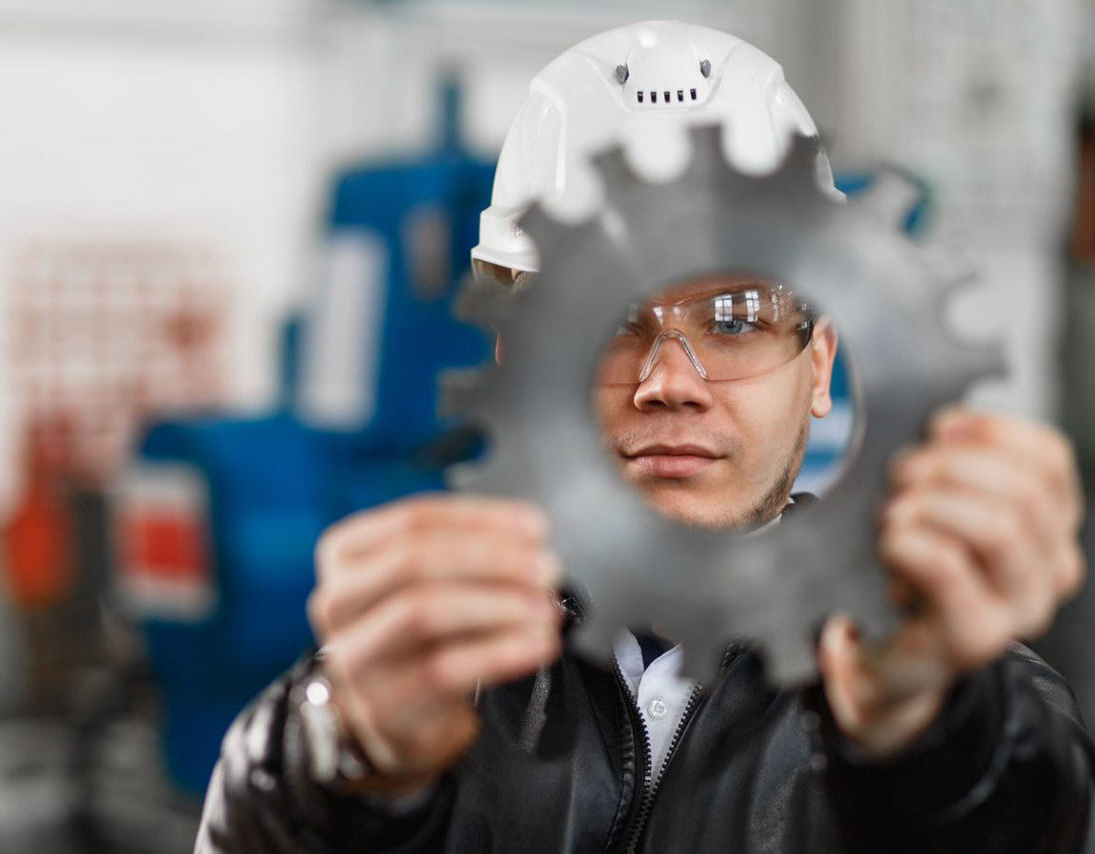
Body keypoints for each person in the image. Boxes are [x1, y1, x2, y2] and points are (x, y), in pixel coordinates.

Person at [195, 21, 1092, 852]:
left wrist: (931, 737)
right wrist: (336, 753)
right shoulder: (418, 674)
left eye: (736, 317)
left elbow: (1020, 812)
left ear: (819, 365)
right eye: (605, 314)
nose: (668, 382)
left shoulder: (934, 688)